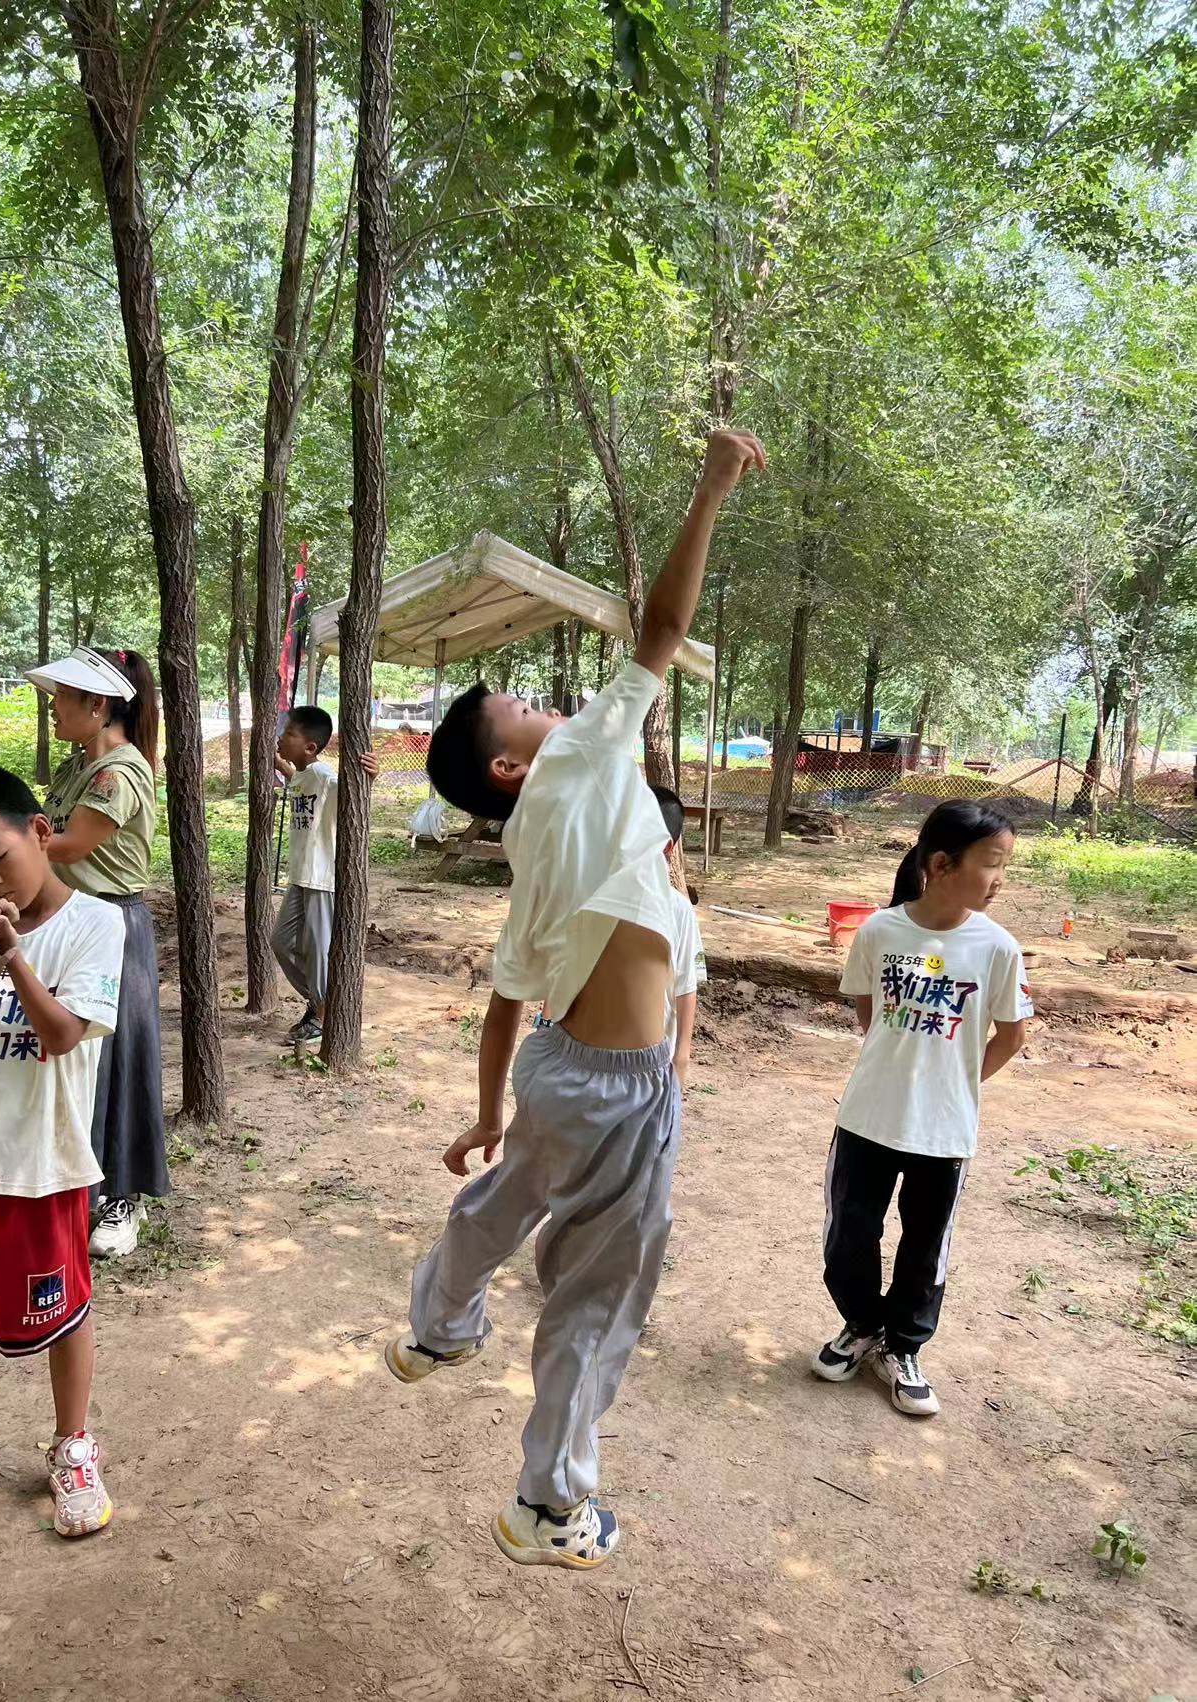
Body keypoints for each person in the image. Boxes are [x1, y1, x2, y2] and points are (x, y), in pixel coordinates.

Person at [386, 427, 765, 1570]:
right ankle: (547, 1506)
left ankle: (437, 1323)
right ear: (510, 765)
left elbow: (511, 1000)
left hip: (559, 1070)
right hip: (616, 1089)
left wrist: (490, 1109)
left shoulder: (548, 847)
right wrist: (709, 487)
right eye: (522, 707)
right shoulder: (582, 759)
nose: (547, 705)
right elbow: (662, 626)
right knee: (598, 1297)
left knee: (506, 1195)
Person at [0, 765, 126, 1554]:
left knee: (62, 1307)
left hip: (43, 1161)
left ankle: (73, 1447)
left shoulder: (96, 922)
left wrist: (16, 962)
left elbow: (63, 1034)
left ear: (40, 831)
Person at [811, 800, 1033, 1418]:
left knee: (925, 1242)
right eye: (991, 863)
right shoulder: (880, 932)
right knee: (850, 1231)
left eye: (1004, 865)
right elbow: (871, 1016)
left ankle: (903, 1347)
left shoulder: (997, 948)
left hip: (944, 1128)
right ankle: (862, 1326)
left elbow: (1011, 1035)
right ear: (941, 864)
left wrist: (954, 1083)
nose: (1000, 879)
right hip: (868, 1117)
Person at [27, 646, 164, 1259]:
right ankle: (71, 1188)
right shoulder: (76, 766)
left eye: (62, 697)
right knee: (73, 1058)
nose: (53, 708)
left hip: (112, 924)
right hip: (69, 921)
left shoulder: (118, 773)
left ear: (98, 704)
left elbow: (68, 844)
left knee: (115, 1058)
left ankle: (120, 1198)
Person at [272, 705, 379, 1044]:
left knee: (318, 949)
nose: (281, 737)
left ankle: (322, 1016)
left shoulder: (325, 777)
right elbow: (297, 779)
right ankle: (320, 1002)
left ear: (310, 747)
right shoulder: (303, 774)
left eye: (289, 733)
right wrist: (280, 764)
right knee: (281, 942)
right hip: (300, 877)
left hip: (321, 878)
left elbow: (345, 791)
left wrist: (370, 777)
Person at [649, 784, 707, 1087]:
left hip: (655, 1058)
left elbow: (687, 983)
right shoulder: (599, 899)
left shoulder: (679, 910)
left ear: (666, 847)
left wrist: (681, 1056)